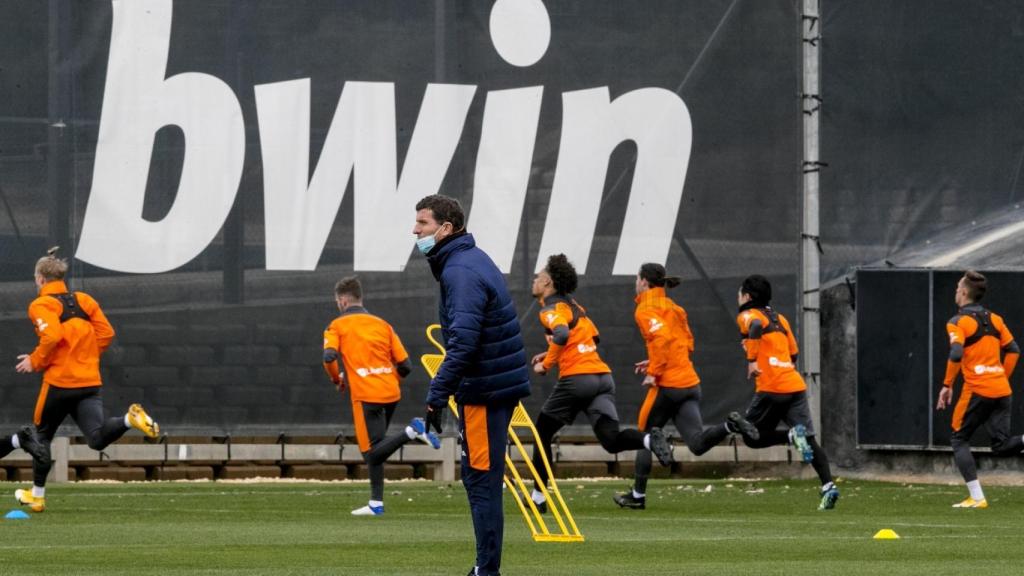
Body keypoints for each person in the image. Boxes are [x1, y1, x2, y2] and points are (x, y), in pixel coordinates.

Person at [414, 194, 530, 576]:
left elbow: (464, 341)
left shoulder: (459, 270)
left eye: (423, 224)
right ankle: (485, 567)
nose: (416, 231)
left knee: (481, 481)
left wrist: (436, 394)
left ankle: (486, 569)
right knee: (486, 478)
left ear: (446, 228)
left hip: (483, 390)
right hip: (497, 383)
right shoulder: (471, 259)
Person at [13, 247, 159, 513]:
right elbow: (106, 333)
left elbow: (52, 337)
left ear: (40, 279)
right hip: (89, 383)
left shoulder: (41, 304)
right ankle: (129, 419)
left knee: (40, 437)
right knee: (96, 438)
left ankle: (37, 496)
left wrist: (35, 360)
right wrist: (83, 355)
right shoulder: (84, 300)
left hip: (59, 383)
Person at [528, 254, 674, 514]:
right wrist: (552, 352)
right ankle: (651, 440)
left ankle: (538, 497)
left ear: (548, 282)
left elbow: (561, 333)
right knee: (611, 440)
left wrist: (546, 364)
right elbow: (590, 341)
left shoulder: (550, 309)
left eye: (538, 276)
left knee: (541, 434)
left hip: (577, 380)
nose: (534, 279)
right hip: (602, 378)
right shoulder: (576, 307)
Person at [614, 263, 759, 510]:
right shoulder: (675, 307)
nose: (635, 282)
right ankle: (730, 425)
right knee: (696, 443)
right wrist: (655, 360)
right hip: (689, 381)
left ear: (645, 282)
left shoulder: (644, 308)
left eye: (637, 278)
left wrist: (654, 371)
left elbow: (662, 338)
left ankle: (637, 497)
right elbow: (686, 343)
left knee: (645, 435)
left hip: (668, 384)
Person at [321, 275, 440, 516]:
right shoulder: (382, 324)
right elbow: (405, 365)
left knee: (370, 452)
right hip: (391, 391)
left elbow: (329, 357)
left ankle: (413, 430)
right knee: (379, 446)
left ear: (342, 301)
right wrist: (388, 378)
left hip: (366, 395)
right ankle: (376, 503)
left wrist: (337, 379)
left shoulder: (337, 326)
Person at [734, 274, 839, 510]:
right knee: (810, 439)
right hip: (794, 385)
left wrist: (752, 360)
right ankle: (828, 486)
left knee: (750, 436)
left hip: (771, 387)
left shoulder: (747, 315)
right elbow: (794, 353)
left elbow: (756, 326)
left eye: (740, 293)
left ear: (748, 297)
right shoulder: (780, 319)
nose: (737, 298)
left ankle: (790, 437)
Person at [936, 270, 1021, 508]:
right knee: (1001, 445)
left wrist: (947, 386)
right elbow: (1014, 350)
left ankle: (977, 497)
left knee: (959, 437)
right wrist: (1001, 375)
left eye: (956, 287)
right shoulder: (995, 319)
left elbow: (955, 353)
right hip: (1002, 390)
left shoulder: (958, 322)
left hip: (977, 390)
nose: (955, 291)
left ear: (963, 292)